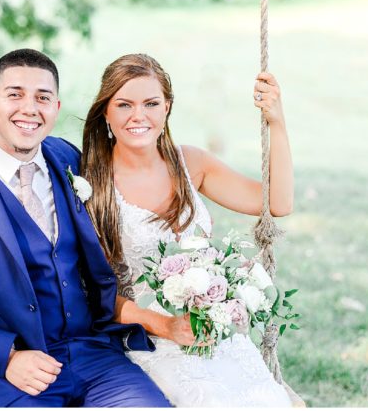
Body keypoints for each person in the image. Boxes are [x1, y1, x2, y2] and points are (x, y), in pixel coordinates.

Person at [0, 49, 170, 407]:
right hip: (4, 369)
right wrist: (7, 358)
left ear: (56, 108)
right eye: (15, 94)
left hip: (92, 355)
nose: (30, 108)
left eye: (42, 97)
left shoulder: (69, 159)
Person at [80, 53, 293, 406]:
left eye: (151, 103)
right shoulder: (93, 186)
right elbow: (93, 293)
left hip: (214, 332)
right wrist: (164, 326)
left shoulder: (191, 163)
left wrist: (277, 123)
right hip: (149, 338)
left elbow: (279, 203)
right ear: (105, 110)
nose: (139, 116)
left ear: (167, 108)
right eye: (124, 104)